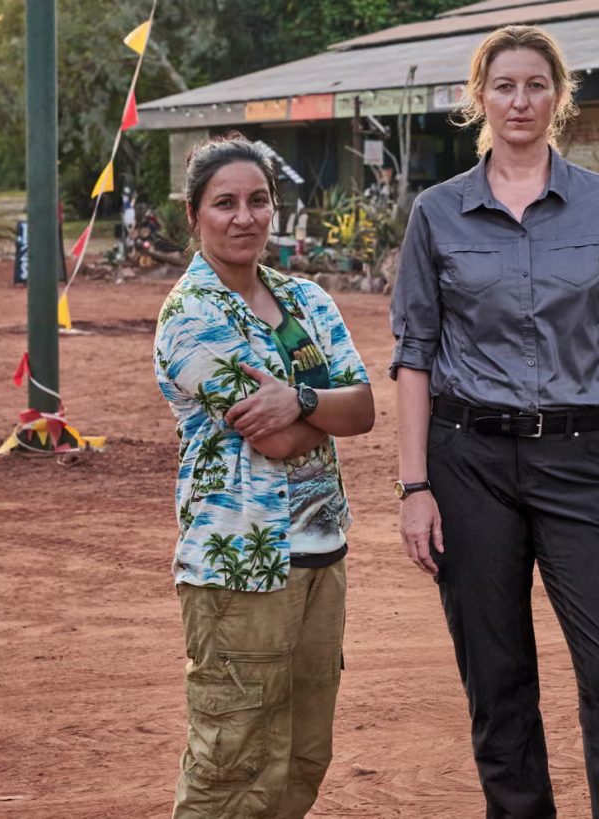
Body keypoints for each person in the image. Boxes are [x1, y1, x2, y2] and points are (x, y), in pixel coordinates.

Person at [390, 25, 599, 819]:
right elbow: (413, 354)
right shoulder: (436, 214)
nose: (521, 100)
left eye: (536, 85)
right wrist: (415, 484)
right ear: (479, 98)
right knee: (497, 676)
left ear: (559, 98)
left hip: (582, 459)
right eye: (505, 85)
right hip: (467, 461)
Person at [153, 133, 374, 818]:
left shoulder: (305, 297)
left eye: (258, 200)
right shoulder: (190, 316)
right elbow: (273, 440)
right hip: (238, 571)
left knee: (303, 757)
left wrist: (301, 399)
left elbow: (363, 406)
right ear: (194, 216)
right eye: (224, 203)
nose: (244, 216)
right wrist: (320, 410)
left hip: (320, 558)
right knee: (233, 767)